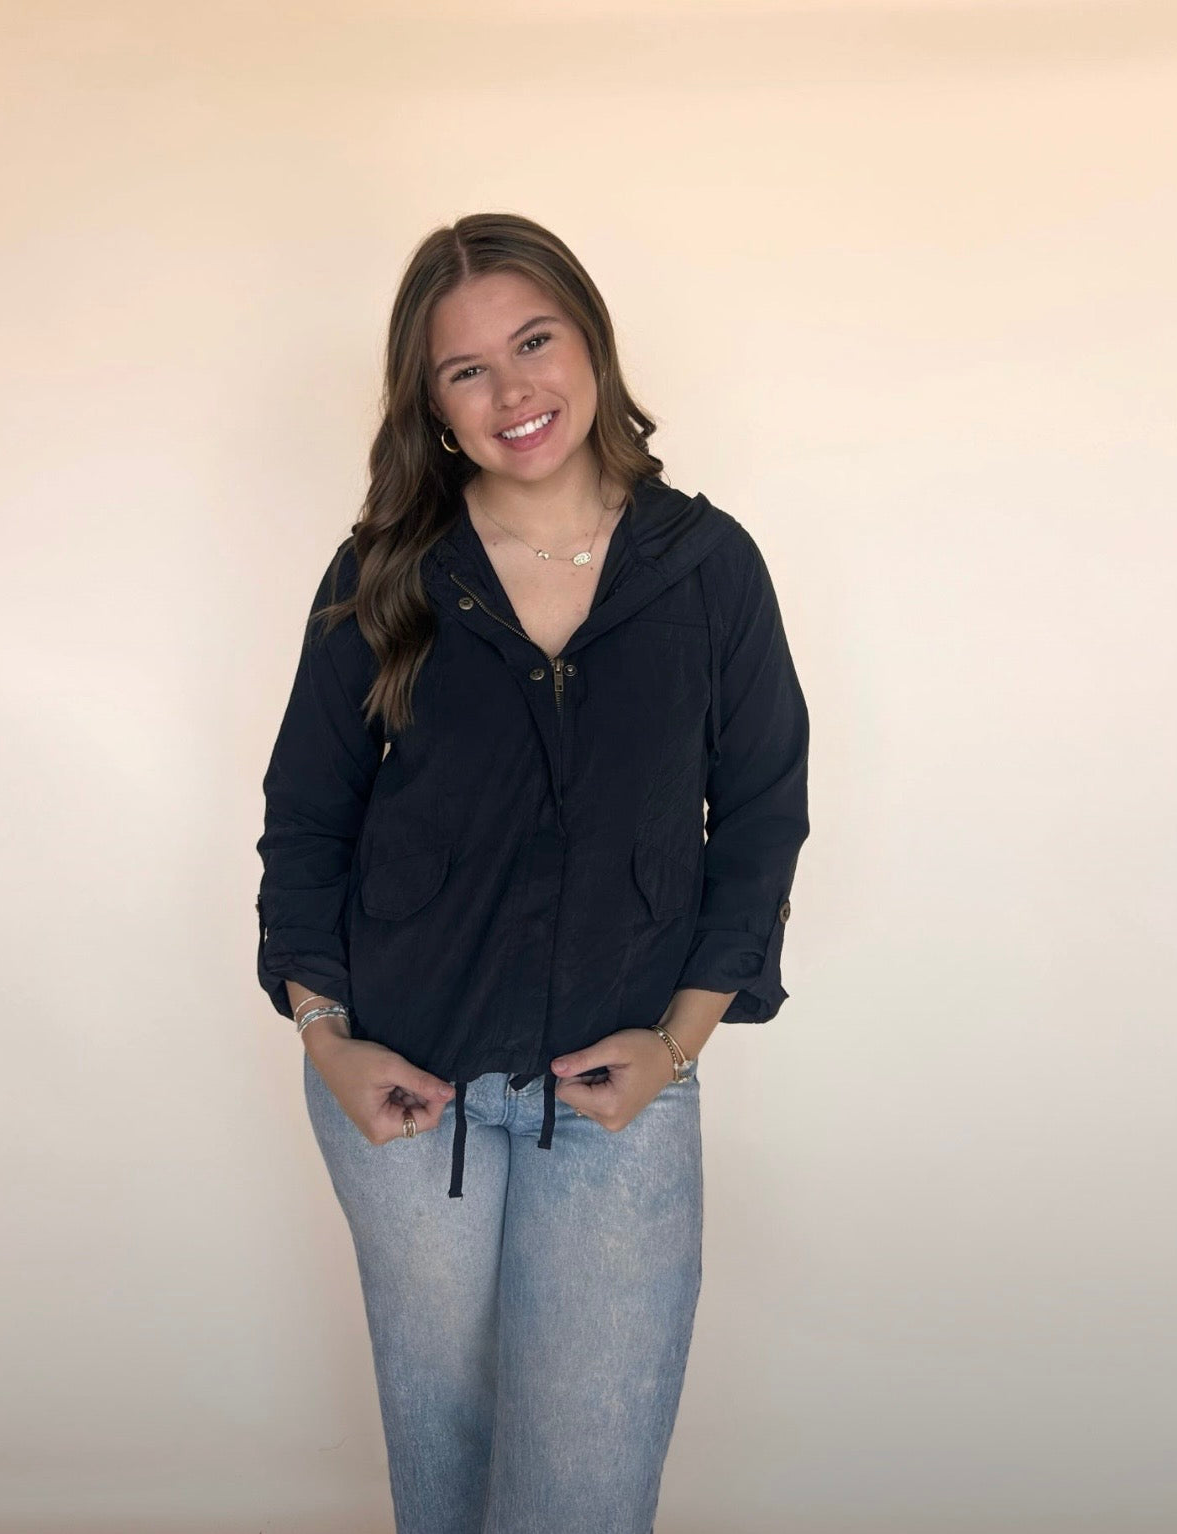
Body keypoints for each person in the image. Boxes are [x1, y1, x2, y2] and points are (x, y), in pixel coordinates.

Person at [255, 211, 811, 1534]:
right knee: (443, 1462)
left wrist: (677, 1041)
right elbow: (303, 819)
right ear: (433, 409)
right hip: (397, 1082)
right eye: (464, 369)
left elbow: (764, 815)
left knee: (584, 1489)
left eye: (534, 340)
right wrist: (326, 1034)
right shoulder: (385, 575)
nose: (512, 391)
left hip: (616, 1091)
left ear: (591, 345)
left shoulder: (706, 567)